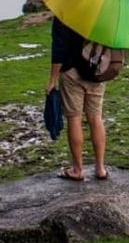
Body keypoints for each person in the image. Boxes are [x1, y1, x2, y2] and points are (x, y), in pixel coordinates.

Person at [47, 16, 113, 181]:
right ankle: (100, 168)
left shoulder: (64, 13)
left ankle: (77, 169)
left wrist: (52, 80)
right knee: (96, 117)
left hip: (71, 72)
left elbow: (59, 49)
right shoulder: (101, 11)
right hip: (96, 72)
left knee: (74, 118)